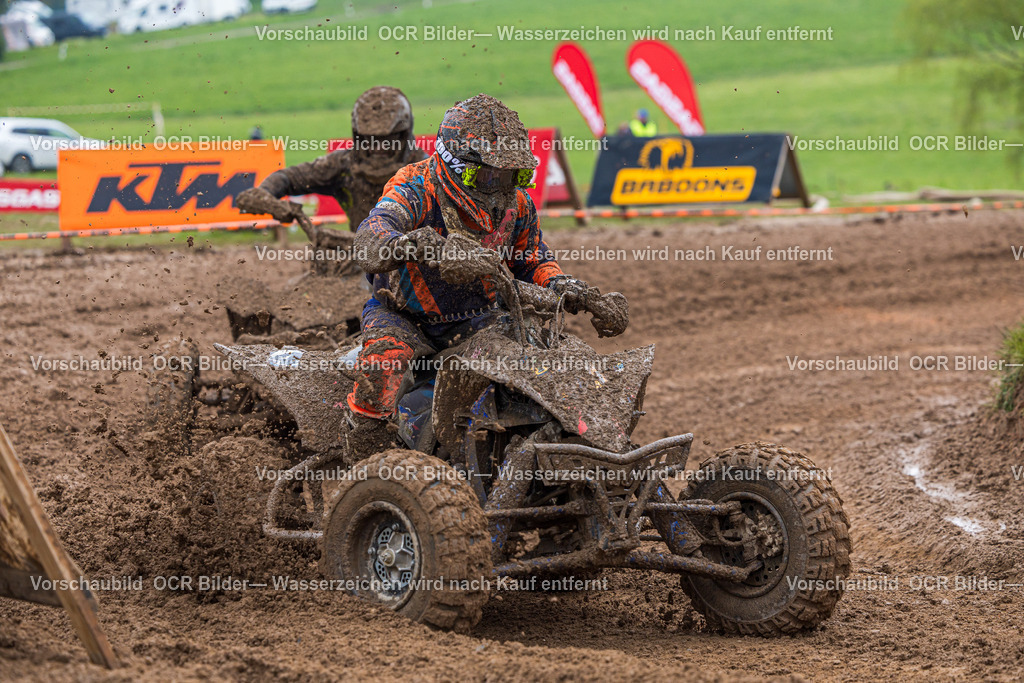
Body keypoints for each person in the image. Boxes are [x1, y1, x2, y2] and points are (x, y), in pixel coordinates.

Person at [344, 93, 623, 446]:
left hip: (477, 319)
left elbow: (532, 260)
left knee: (546, 355)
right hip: (405, 317)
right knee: (385, 363)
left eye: (515, 176)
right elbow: (371, 237)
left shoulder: (518, 205)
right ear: (454, 166)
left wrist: (571, 289)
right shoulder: (415, 187)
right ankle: (363, 454)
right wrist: (422, 245)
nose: (502, 190)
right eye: (489, 178)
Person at [236, 86, 427, 234]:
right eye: (370, 140)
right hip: (365, 261)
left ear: (402, 136)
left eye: (387, 140)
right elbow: (289, 177)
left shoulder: (424, 171)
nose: (378, 148)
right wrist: (265, 195)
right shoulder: (344, 165)